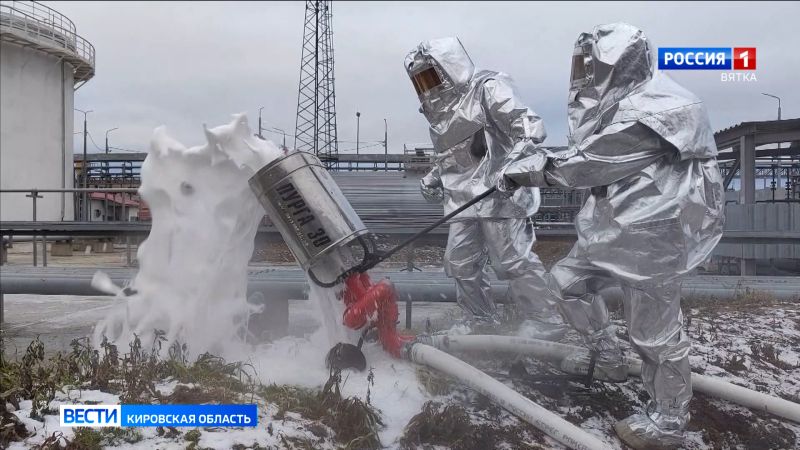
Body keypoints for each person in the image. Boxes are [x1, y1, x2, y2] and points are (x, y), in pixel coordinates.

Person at [499, 23, 725, 449]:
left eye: (591, 67)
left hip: (654, 237)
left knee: (654, 334)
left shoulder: (660, 110)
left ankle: (668, 420)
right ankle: (606, 355)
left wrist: (523, 171)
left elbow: (586, 164)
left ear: (620, 65)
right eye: (579, 66)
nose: (583, 77)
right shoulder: (620, 108)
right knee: (564, 283)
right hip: (613, 229)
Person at [405, 37, 565, 339]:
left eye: (431, 76)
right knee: (460, 262)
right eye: (420, 81)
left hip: (499, 194)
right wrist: (433, 177)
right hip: (462, 201)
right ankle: (480, 319)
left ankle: (546, 320)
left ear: (449, 67)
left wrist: (514, 164)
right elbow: (453, 157)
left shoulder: (487, 88)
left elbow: (529, 126)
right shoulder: (438, 114)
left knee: (513, 260)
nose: (428, 87)